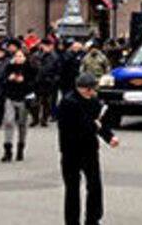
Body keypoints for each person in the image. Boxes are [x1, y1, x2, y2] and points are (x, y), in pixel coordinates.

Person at [57, 73, 119, 225]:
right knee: (72, 188)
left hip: (89, 149)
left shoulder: (93, 101)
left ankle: (93, 218)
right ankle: (72, 220)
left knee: (95, 185)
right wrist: (93, 125)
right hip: (71, 150)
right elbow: (76, 125)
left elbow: (100, 120)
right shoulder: (68, 102)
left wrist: (109, 137)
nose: (92, 93)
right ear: (82, 89)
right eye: (90, 90)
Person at [2, 48, 36, 163]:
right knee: (8, 121)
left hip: (24, 98)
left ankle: (21, 147)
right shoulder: (9, 68)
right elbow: (2, 81)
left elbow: (35, 84)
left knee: (22, 124)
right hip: (10, 97)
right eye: (16, 56)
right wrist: (8, 79)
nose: (18, 58)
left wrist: (24, 80)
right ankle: (8, 149)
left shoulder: (31, 69)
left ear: (25, 58)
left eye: (21, 56)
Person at [30, 39, 61, 127]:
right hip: (36, 82)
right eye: (45, 45)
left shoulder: (55, 57)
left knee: (47, 102)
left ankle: (44, 119)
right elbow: (30, 68)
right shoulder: (35, 55)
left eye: (49, 46)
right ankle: (35, 119)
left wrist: (54, 80)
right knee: (34, 102)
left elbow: (58, 71)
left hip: (48, 82)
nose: (47, 48)